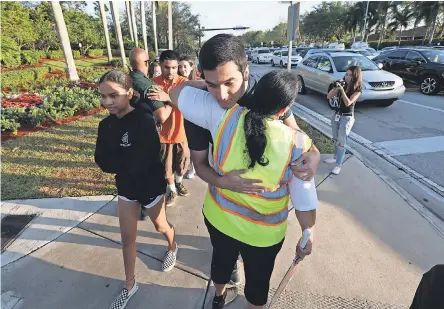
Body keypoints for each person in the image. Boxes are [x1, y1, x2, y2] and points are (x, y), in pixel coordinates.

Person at [176, 34, 321, 287]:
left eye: (228, 82)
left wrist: (315, 152)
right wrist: (224, 182)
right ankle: (228, 271)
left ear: (246, 72)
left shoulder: (265, 93)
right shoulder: (204, 107)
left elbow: (292, 126)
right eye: (211, 84)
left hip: (256, 228)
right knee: (226, 261)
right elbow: (199, 165)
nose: (221, 95)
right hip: (224, 215)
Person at [94, 70, 178, 309]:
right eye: (102, 96)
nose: (107, 102)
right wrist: (125, 160)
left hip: (151, 186)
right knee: (127, 237)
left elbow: (148, 157)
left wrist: (120, 159)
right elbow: (101, 160)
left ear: (129, 93)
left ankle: (172, 245)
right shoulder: (105, 125)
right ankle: (130, 285)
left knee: (160, 225)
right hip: (127, 187)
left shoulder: (144, 118)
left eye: (113, 95)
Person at [147, 50, 190, 206]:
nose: (170, 71)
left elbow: (188, 106)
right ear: (161, 65)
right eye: (167, 67)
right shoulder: (153, 83)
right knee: (166, 166)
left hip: (182, 132)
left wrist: (167, 98)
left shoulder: (184, 83)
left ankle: (179, 182)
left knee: (182, 163)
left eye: (174, 67)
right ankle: (171, 189)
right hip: (162, 135)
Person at [325, 65, 362, 175]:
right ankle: (335, 157)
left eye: (350, 75)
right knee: (335, 139)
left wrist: (342, 91)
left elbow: (348, 103)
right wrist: (336, 88)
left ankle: (338, 165)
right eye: (346, 74)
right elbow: (328, 96)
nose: (347, 77)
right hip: (336, 115)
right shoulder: (342, 84)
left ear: (355, 77)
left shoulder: (358, 89)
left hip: (347, 117)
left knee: (342, 141)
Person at [178, 55, 199, 179]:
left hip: (195, 119)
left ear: (191, 67)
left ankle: (194, 167)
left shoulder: (199, 82)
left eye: (185, 66)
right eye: (180, 67)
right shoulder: (178, 82)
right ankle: (187, 166)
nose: (182, 69)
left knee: (195, 145)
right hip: (181, 118)